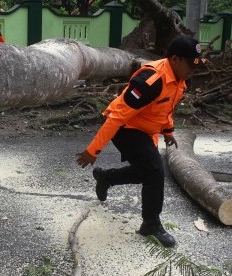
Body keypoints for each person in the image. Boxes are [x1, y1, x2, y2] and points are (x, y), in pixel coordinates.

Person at [76, 35, 206, 248]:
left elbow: (165, 107)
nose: (194, 68)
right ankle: (151, 225)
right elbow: (117, 117)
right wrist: (93, 150)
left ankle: (106, 178)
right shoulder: (149, 81)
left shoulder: (182, 79)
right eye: (190, 63)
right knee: (155, 170)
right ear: (175, 59)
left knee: (145, 171)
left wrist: (168, 130)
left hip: (146, 130)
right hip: (125, 128)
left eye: (196, 63)